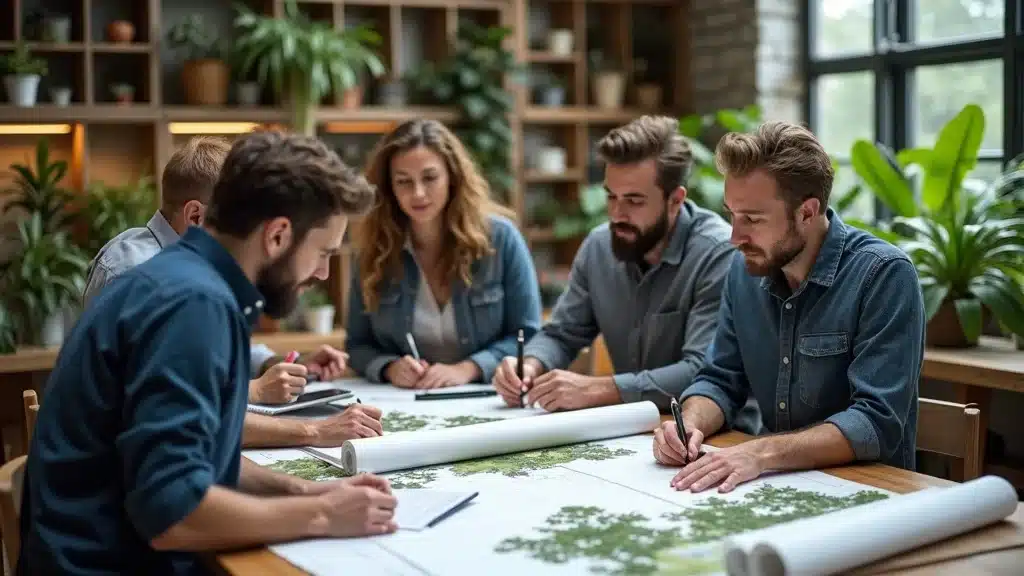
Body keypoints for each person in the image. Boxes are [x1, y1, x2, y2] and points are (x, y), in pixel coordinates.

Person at [19, 130, 397, 575]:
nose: (323, 273)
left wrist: (305, 491)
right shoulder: (193, 304)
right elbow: (172, 512)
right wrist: (323, 515)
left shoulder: (185, 280)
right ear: (277, 236)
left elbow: (202, 454)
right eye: (323, 252)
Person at [652, 121, 924, 494]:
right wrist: (689, 425)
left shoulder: (884, 275)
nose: (735, 237)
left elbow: (875, 423)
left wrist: (760, 453)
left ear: (807, 213)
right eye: (732, 215)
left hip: (870, 492)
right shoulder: (744, 271)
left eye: (752, 219)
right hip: (773, 485)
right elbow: (720, 380)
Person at [81, 136, 382, 448]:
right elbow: (170, 417)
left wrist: (273, 362)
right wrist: (305, 425)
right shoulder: (149, 280)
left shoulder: (204, 283)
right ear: (197, 217)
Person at [491, 115, 760, 430]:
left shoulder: (719, 254)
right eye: (611, 197)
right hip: (632, 430)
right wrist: (530, 365)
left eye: (634, 200)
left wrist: (599, 389)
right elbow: (561, 334)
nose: (617, 214)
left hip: (719, 436)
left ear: (675, 200)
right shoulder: (599, 247)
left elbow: (702, 371)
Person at [346, 118, 542, 388]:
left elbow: (528, 335)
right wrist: (389, 367)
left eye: (430, 178)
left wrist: (470, 368)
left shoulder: (500, 239)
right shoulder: (375, 249)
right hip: (405, 398)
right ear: (389, 188)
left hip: (488, 395)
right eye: (403, 181)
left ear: (452, 177)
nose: (418, 193)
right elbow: (357, 345)